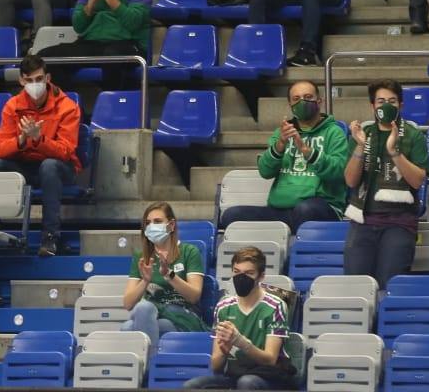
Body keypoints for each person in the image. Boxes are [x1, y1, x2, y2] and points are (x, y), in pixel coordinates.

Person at [0, 55, 81, 258]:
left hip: (60, 168)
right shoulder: (13, 106)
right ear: (21, 81)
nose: (35, 84)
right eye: (29, 80)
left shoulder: (67, 107)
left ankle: (50, 237)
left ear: (48, 78)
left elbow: (65, 151)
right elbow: (1, 149)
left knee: (49, 166)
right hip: (24, 165)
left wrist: (39, 139)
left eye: (39, 79)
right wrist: (22, 139)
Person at [220, 80, 347, 231]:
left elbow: (339, 172)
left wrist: (308, 152)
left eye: (307, 97)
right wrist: (280, 145)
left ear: (319, 101)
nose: (302, 102)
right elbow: (265, 171)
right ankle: (284, 230)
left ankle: (284, 232)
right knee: (231, 216)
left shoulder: (334, 132)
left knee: (304, 210)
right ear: (290, 105)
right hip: (281, 209)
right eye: (296, 99)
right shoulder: (282, 133)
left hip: (321, 206)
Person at [343, 81, 429, 289]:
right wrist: (361, 147)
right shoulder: (363, 134)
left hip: (399, 222)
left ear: (400, 105)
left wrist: (394, 151)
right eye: (381, 101)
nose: (386, 106)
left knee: (390, 283)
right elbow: (351, 180)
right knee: (356, 286)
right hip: (363, 219)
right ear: (373, 106)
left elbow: (417, 181)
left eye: (392, 101)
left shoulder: (413, 135)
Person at [184, 246, 292, 390]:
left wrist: (241, 342)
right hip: (234, 375)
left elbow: (270, 360)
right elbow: (216, 366)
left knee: (246, 382)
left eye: (249, 273)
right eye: (237, 272)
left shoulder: (276, 306)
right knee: (192, 385)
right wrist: (224, 352)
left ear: (261, 276)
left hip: (268, 377)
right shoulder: (223, 306)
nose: (241, 278)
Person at [121, 202, 206, 352]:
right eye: (148, 223)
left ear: (171, 225)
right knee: (141, 312)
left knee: (129, 327)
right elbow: (128, 303)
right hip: (151, 316)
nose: (152, 226)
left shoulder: (189, 252)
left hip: (181, 316)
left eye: (158, 222)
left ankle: (144, 368)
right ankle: (152, 366)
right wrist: (145, 281)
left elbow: (194, 296)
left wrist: (168, 274)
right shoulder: (141, 257)